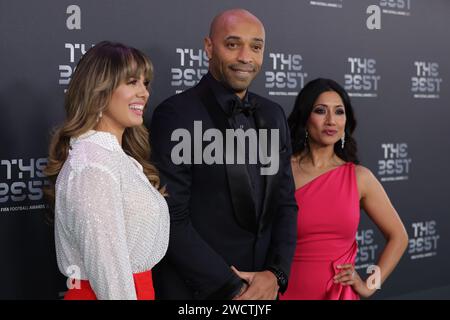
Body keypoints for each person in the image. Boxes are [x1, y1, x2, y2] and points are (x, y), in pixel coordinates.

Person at [150, 9, 298, 300]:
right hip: (199, 293)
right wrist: (234, 288)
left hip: (264, 291)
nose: (245, 57)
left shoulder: (274, 114)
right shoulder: (177, 114)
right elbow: (170, 219)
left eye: (255, 47)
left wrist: (275, 275)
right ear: (208, 47)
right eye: (232, 45)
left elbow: (285, 203)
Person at [44, 41, 170, 300]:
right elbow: (108, 271)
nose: (144, 92)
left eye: (145, 83)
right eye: (132, 82)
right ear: (99, 91)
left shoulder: (114, 158)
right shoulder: (93, 165)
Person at [280, 78, 409, 300]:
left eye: (339, 112)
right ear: (305, 117)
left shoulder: (359, 178)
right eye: (321, 111)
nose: (331, 120)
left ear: (346, 120)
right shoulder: (281, 171)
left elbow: (399, 237)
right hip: (284, 292)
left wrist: (370, 284)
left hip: (337, 294)